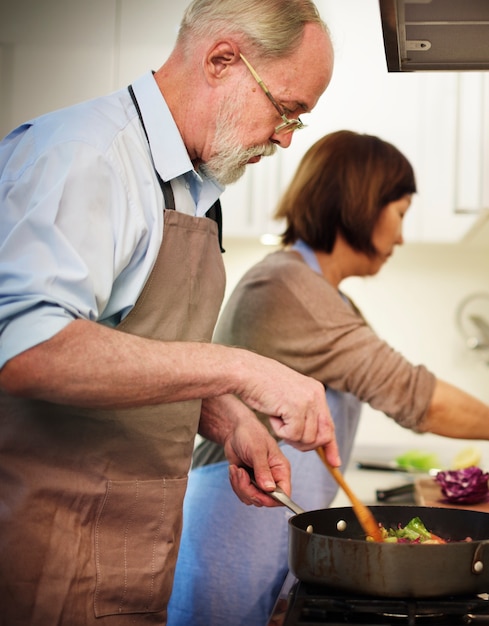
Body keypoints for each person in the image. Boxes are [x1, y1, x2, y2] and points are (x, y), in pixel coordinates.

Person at [167, 129, 489, 626]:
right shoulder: (285, 285)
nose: (400, 236)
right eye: (400, 214)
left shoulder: (321, 292)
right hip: (233, 530)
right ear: (362, 204)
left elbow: (406, 386)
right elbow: (417, 398)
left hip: (265, 523)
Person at [0, 1, 340, 625]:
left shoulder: (190, 187)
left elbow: (123, 344)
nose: (288, 136)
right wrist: (236, 370)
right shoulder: (88, 155)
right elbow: (28, 349)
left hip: (126, 550)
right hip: (44, 553)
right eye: (287, 109)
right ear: (222, 60)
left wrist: (227, 416)